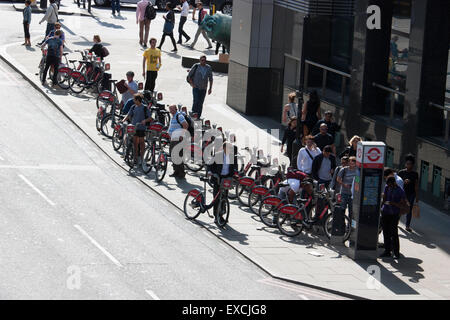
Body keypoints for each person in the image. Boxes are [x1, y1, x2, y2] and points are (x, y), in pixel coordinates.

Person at [207, 142, 238, 219]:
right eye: (229, 148)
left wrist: (235, 174)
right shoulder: (218, 155)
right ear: (224, 148)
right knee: (216, 197)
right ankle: (216, 215)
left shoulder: (232, 157)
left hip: (226, 179)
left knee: (224, 197)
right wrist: (210, 172)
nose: (230, 150)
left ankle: (222, 213)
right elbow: (210, 164)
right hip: (218, 177)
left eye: (231, 149)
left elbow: (235, 167)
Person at [121, 93, 153, 167]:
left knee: (141, 143)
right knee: (135, 143)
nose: (133, 100)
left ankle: (141, 158)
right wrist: (123, 120)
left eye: (134, 99)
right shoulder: (133, 107)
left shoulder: (145, 108)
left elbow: (150, 118)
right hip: (134, 127)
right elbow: (128, 115)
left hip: (141, 128)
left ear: (138, 100)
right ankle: (135, 158)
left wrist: (145, 121)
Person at [380, 176, 407, 259]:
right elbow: (384, 198)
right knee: (386, 232)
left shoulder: (400, 191)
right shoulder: (387, 187)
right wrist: (381, 206)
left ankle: (396, 252)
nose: (389, 186)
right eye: (388, 184)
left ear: (394, 183)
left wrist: (393, 203)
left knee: (394, 233)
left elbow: (402, 205)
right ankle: (387, 250)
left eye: (390, 184)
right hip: (385, 212)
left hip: (394, 213)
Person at [398, 154, 419, 232]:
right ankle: (397, 219)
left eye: (410, 164)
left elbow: (416, 185)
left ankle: (407, 225)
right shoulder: (401, 172)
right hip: (402, 193)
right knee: (401, 207)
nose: (408, 165)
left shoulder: (415, 174)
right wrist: (404, 182)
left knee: (409, 209)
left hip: (411, 194)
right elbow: (397, 183)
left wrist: (417, 196)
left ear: (412, 165)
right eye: (407, 163)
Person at [168, 105, 188, 178]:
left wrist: (182, 135)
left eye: (171, 109)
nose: (170, 111)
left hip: (178, 139)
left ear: (175, 109)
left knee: (178, 156)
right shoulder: (174, 116)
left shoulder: (179, 116)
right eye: (170, 109)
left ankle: (181, 173)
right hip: (173, 139)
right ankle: (176, 171)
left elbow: (185, 125)